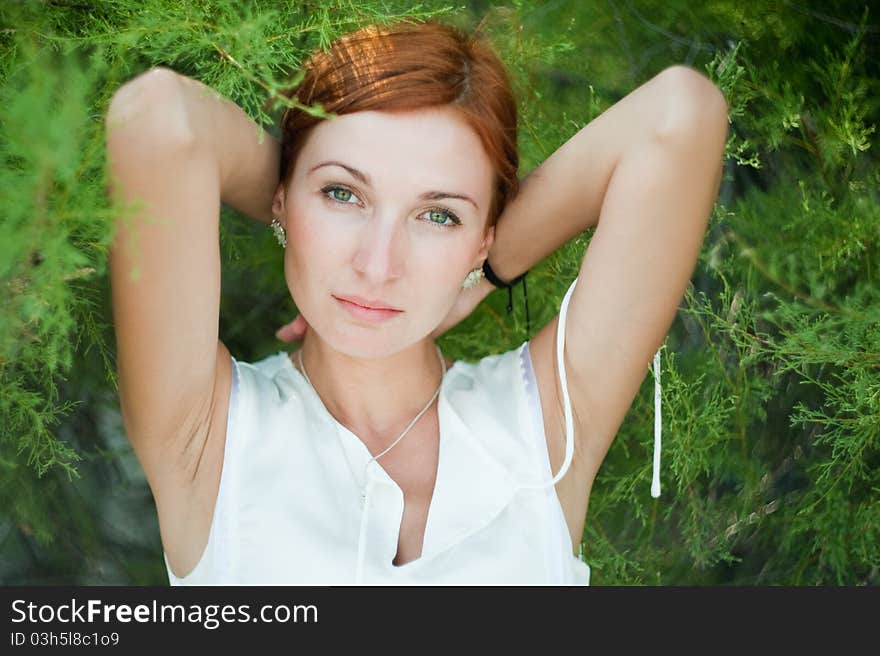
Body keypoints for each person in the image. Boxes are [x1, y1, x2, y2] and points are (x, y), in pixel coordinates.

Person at [105, 18, 727, 585]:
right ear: (284, 198)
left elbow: (681, 114)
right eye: (342, 195)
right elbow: (160, 117)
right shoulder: (209, 439)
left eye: (437, 215)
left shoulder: (540, 426)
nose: (378, 266)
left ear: (484, 234)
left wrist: (485, 273)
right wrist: (292, 202)